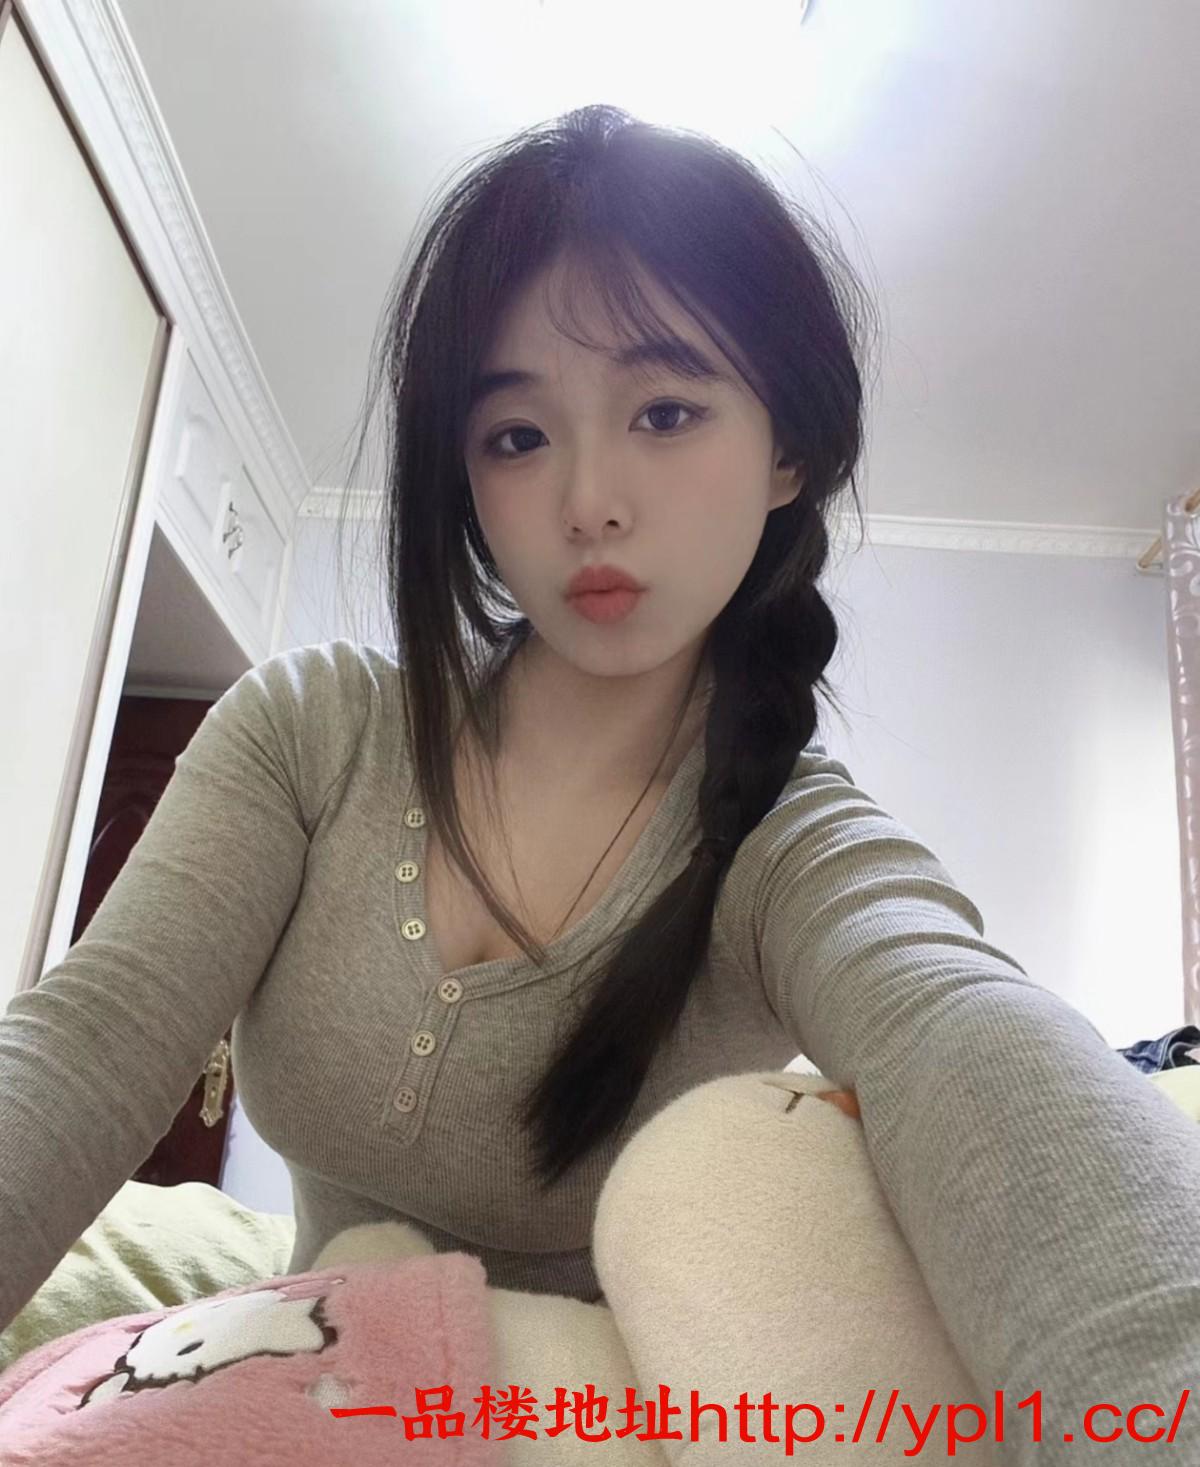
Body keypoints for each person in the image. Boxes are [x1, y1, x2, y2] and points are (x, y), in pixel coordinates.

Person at [3, 104, 1199, 1462]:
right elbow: (85, 1047)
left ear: (790, 451)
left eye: (666, 412)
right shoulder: (310, 732)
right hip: (316, 1389)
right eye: (516, 436)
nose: (588, 502)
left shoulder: (788, 848)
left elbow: (965, 1035)